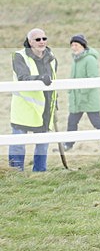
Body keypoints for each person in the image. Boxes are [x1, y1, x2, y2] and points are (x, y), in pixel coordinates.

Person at [9, 28, 57, 171]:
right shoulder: (19, 56)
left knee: (43, 143)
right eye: (37, 39)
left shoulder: (51, 57)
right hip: (24, 107)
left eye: (44, 38)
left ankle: (40, 172)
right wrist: (40, 78)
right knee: (18, 143)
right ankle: (15, 172)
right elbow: (22, 77)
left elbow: (53, 81)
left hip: (45, 107)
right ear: (30, 42)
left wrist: (55, 105)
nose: (42, 42)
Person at [63, 34, 100, 151]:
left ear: (82, 45)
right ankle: (68, 145)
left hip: (89, 98)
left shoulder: (90, 59)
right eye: (72, 45)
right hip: (77, 99)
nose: (73, 47)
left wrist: (83, 93)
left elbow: (93, 79)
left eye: (76, 45)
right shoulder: (75, 60)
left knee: (96, 122)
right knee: (72, 122)